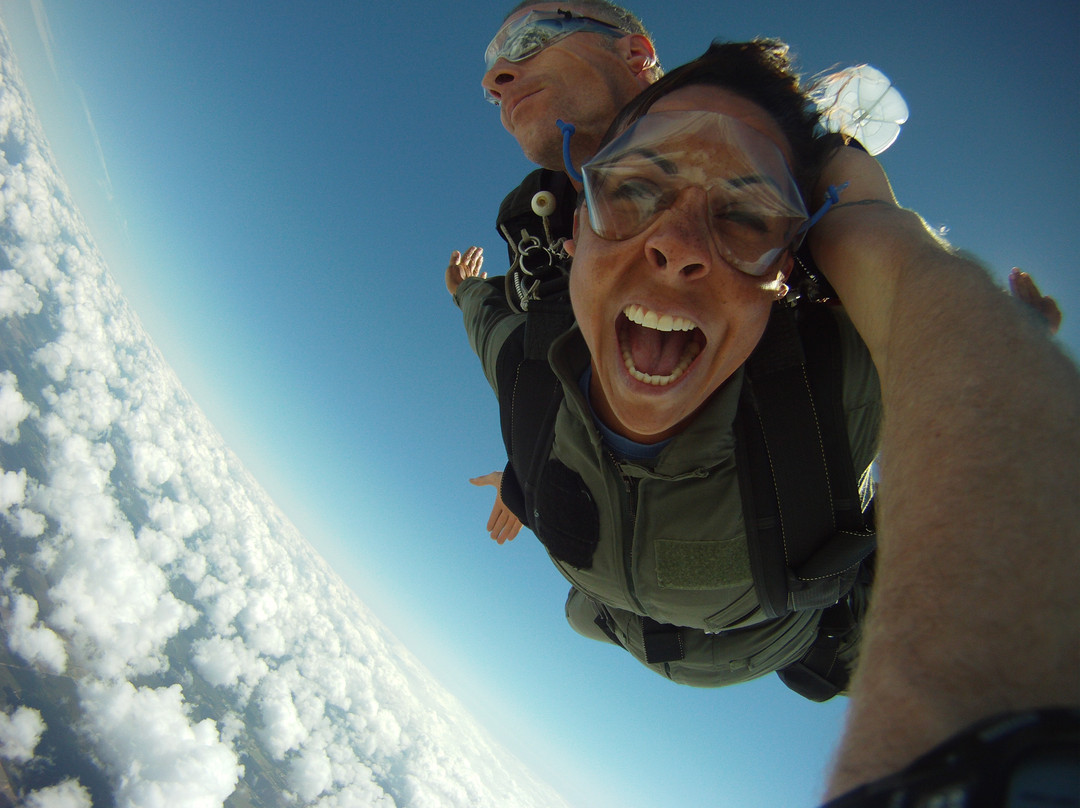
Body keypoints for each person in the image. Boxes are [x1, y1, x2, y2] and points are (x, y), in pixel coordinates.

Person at [452, 38, 1080, 806]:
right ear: (575, 230)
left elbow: (931, 339)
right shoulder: (530, 369)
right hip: (613, 612)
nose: (677, 245)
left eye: (745, 215)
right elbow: (492, 326)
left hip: (772, 638)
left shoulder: (823, 386)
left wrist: (978, 336)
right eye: (635, 191)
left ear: (783, 275)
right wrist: (517, 462)